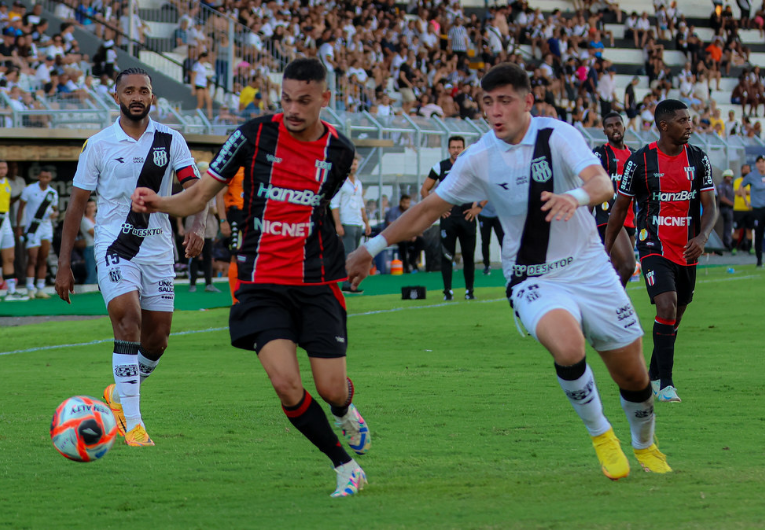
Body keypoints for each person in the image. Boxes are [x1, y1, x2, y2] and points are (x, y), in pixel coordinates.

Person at [349, 62, 671, 480]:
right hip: (532, 277)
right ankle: (601, 434)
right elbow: (429, 209)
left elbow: (602, 185)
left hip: (590, 270)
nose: (495, 111)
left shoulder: (558, 135)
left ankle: (645, 444)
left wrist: (573, 196)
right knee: (568, 346)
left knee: (633, 374)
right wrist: (371, 247)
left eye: (505, 101)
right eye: (488, 103)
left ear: (527, 103)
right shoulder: (479, 157)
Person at [130, 58, 371, 498]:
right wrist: (158, 202)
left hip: (316, 280)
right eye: (286, 99)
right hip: (261, 282)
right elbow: (201, 194)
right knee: (285, 383)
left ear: (325, 100)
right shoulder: (250, 136)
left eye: (304, 100)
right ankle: (345, 466)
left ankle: (345, 409)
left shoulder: (340, 152)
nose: (293, 108)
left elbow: (320, 209)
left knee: (331, 388)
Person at [54, 67, 206, 447]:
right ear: (116, 97)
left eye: (144, 91)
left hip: (158, 249)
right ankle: (134, 425)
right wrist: (63, 264)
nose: (137, 97)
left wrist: (198, 226)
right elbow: (76, 207)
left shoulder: (171, 140)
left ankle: (118, 395)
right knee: (127, 320)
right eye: (129, 91)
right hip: (114, 246)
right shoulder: (98, 145)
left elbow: (197, 189)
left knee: (157, 341)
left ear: (152, 97)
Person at [605, 99, 717, 404]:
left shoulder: (698, 159)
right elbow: (619, 209)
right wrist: (605, 250)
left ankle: (653, 374)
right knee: (666, 308)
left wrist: (703, 236)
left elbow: (710, 207)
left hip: (688, 249)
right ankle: (666, 385)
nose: (690, 125)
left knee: (675, 318)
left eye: (690, 119)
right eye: (682, 121)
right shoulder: (640, 162)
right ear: (664, 126)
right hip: (653, 245)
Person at [421, 136, 480, 301]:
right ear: (448, 149)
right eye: (453, 147)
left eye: (459, 147)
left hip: (467, 217)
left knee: (468, 256)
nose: (456, 150)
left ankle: (470, 291)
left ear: (464, 149)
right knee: (447, 256)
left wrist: (477, 208)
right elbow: (425, 189)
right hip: (449, 219)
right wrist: (437, 210)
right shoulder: (440, 167)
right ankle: (447, 291)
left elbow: (486, 187)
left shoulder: (472, 166)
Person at [592, 112, 637, 286]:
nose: (615, 128)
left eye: (618, 124)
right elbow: (593, 185)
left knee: (616, 268)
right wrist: (588, 222)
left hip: (630, 218)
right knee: (628, 265)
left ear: (624, 127)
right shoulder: (600, 154)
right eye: (610, 126)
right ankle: (616, 305)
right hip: (608, 216)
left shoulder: (634, 155)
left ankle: (605, 307)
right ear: (604, 131)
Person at [16, 166, 58, 299]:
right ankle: (30, 288)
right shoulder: (29, 189)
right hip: (32, 229)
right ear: (38, 177)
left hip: (46, 229)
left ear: (50, 178)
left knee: (43, 259)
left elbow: (55, 210)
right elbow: (20, 209)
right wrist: (19, 227)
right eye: (42, 177)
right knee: (32, 258)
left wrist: (54, 214)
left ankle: (40, 288)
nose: (44, 179)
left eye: (47, 177)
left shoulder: (52, 193)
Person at [331, 153, 370, 293]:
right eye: (351, 163)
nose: (353, 166)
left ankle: (352, 283)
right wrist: (338, 224)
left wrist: (366, 222)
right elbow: (334, 204)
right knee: (349, 254)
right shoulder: (341, 181)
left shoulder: (358, 183)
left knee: (356, 255)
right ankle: (347, 284)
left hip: (358, 222)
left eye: (355, 164)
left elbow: (361, 204)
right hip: (346, 222)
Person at [215, 166, 244, 303]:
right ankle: (235, 300)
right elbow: (220, 194)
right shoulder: (235, 168)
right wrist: (223, 220)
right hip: (237, 214)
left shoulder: (258, 166)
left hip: (255, 214)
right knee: (236, 254)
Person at [0, 160, 27, 301]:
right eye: (0, 168)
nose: (2, 170)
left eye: (4, 167)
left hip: (5, 220)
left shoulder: (7, 183)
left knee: (9, 256)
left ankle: (11, 290)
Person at [384, 194, 424, 273]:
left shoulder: (410, 211)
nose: (406, 205)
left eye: (407, 203)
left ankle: (411, 262)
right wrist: (405, 236)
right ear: (400, 202)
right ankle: (406, 266)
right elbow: (391, 228)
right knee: (403, 244)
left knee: (421, 241)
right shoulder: (393, 212)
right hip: (396, 236)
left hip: (407, 235)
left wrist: (413, 234)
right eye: (404, 203)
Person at [737, 155, 765, 267]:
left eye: (763, 161)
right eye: (759, 162)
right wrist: (746, 200)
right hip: (757, 209)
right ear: (756, 164)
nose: (762, 164)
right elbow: (741, 186)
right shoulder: (751, 176)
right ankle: (759, 261)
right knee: (758, 235)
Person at [477, 201, 504, 276]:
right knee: (485, 241)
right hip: (484, 214)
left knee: (502, 241)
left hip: (498, 214)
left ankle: (506, 263)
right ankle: (486, 265)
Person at [732, 164, 754, 254]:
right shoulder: (737, 181)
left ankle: (750, 248)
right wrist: (746, 192)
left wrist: (744, 191)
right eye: (745, 169)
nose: (746, 171)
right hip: (738, 209)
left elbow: (752, 191)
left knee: (749, 229)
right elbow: (738, 192)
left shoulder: (752, 181)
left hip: (750, 209)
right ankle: (733, 248)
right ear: (741, 170)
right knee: (737, 229)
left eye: (748, 169)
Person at [717, 169, 735, 251]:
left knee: (729, 226)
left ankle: (727, 243)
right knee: (727, 226)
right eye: (727, 176)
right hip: (725, 208)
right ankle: (727, 244)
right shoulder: (722, 186)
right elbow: (722, 198)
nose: (729, 178)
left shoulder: (731, 185)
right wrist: (733, 204)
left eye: (730, 176)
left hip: (730, 209)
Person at [80, 198, 97, 284]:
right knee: (92, 273)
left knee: (98, 273)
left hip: (99, 248)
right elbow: (95, 234)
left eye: (92, 206)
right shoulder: (84, 220)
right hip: (91, 248)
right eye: (88, 207)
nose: (91, 209)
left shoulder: (97, 218)